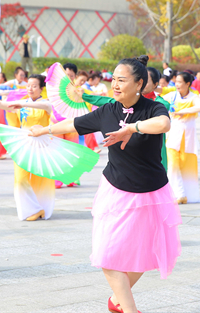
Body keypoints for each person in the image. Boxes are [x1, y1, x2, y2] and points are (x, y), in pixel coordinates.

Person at [28, 55, 180, 313]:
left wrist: (132, 128)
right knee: (107, 255)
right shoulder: (109, 109)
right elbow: (75, 125)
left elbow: (164, 124)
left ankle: (118, 300)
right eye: (114, 79)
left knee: (146, 253)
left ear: (139, 83)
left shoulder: (153, 108)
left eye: (122, 80)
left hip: (151, 191)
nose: (116, 85)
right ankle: (130, 309)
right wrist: (44, 130)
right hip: (116, 189)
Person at [0, 75, 55, 221]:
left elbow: (46, 107)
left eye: (34, 86)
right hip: (24, 144)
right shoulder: (22, 103)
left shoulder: (46, 103)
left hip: (42, 145)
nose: (30, 88)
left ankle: (42, 207)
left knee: (41, 178)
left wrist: (23, 104)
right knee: (20, 178)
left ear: (41, 88)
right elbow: (0, 104)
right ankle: (33, 210)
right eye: (28, 85)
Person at [163, 72, 200, 204]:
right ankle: (178, 194)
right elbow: (160, 101)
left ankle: (185, 194)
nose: (177, 85)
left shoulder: (193, 97)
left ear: (187, 84)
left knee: (185, 165)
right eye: (176, 82)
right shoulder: (172, 95)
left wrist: (183, 111)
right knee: (173, 164)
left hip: (187, 139)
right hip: (173, 136)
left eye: (180, 82)